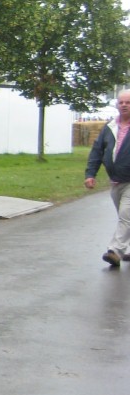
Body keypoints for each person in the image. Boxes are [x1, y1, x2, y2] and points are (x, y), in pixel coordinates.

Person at [85, 89, 130, 266]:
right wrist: (90, 174)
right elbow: (97, 151)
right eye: (121, 102)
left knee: (126, 215)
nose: (124, 105)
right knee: (124, 216)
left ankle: (114, 250)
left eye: (128, 102)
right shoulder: (110, 127)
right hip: (116, 180)